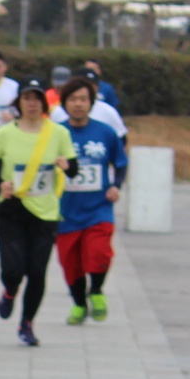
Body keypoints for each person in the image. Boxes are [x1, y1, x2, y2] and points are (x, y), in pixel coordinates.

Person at [0, 86, 71, 347]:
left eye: (38, 99)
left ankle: (27, 323)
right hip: (11, 210)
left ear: (46, 104)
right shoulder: (3, 134)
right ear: (19, 102)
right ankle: (10, 291)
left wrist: (66, 166)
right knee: (13, 269)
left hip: (45, 212)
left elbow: (73, 167)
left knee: (37, 271)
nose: (33, 104)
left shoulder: (58, 133)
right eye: (27, 98)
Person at [55, 77, 126, 324]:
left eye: (83, 99)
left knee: (99, 252)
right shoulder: (56, 133)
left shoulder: (105, 132)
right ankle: (78, 304)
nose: (78, 104)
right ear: (64, 103)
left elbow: (120, 163)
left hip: (98, 207)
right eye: (73, 99)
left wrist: (116, 186)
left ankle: (96, 290)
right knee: (70, 263)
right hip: (65, 210)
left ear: (91, 102)